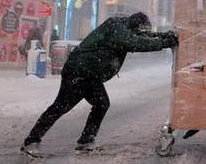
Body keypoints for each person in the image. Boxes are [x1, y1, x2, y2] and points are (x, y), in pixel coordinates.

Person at [21, 12, 179, 155]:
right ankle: (31, 142)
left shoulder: (125, 28)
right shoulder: (118, 29)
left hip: (90, 75)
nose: (140, 35)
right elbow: (137, 42)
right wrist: (164, 43)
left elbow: (142, 36)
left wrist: (164, 35)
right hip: (79, 72)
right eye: (139, 32)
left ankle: (86, 141)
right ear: (133, 27)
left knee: (101, 103)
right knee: (60, 107)